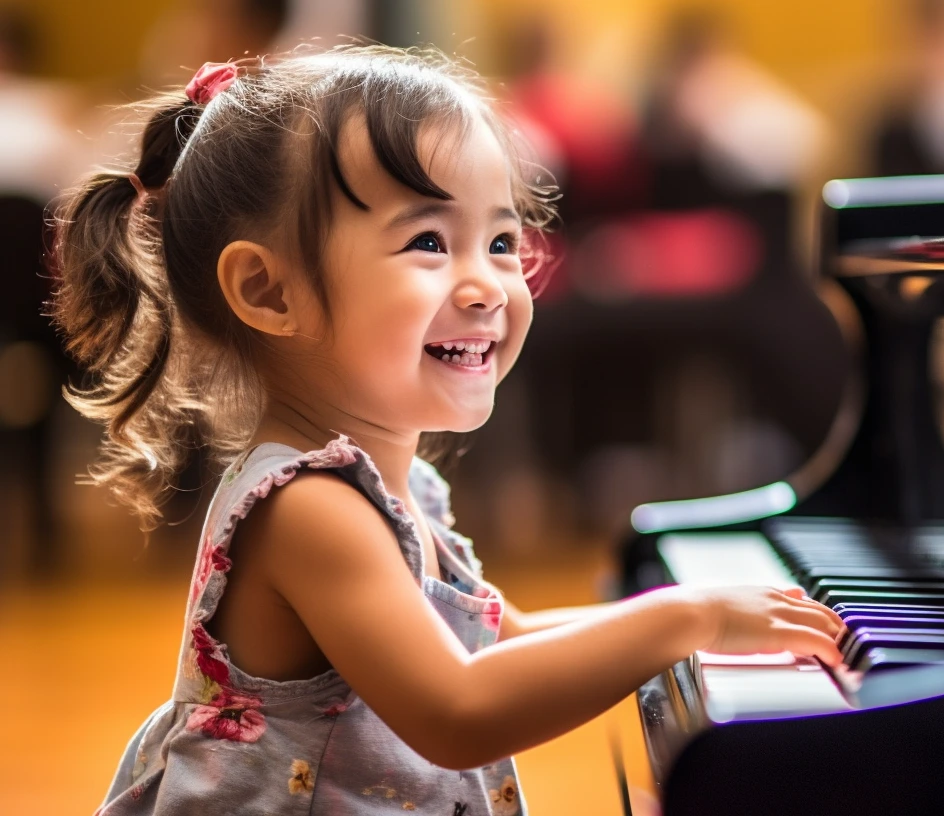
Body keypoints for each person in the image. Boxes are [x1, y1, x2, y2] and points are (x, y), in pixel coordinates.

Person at [51, 45, 845, 815]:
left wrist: (689, 613)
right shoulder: (308, 511)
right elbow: (459, 709)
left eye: (502, 242)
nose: (489, 285)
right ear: (269, 291)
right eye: (429, 242)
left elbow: (496, 640)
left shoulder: (392, 490)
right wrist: (686, 619)